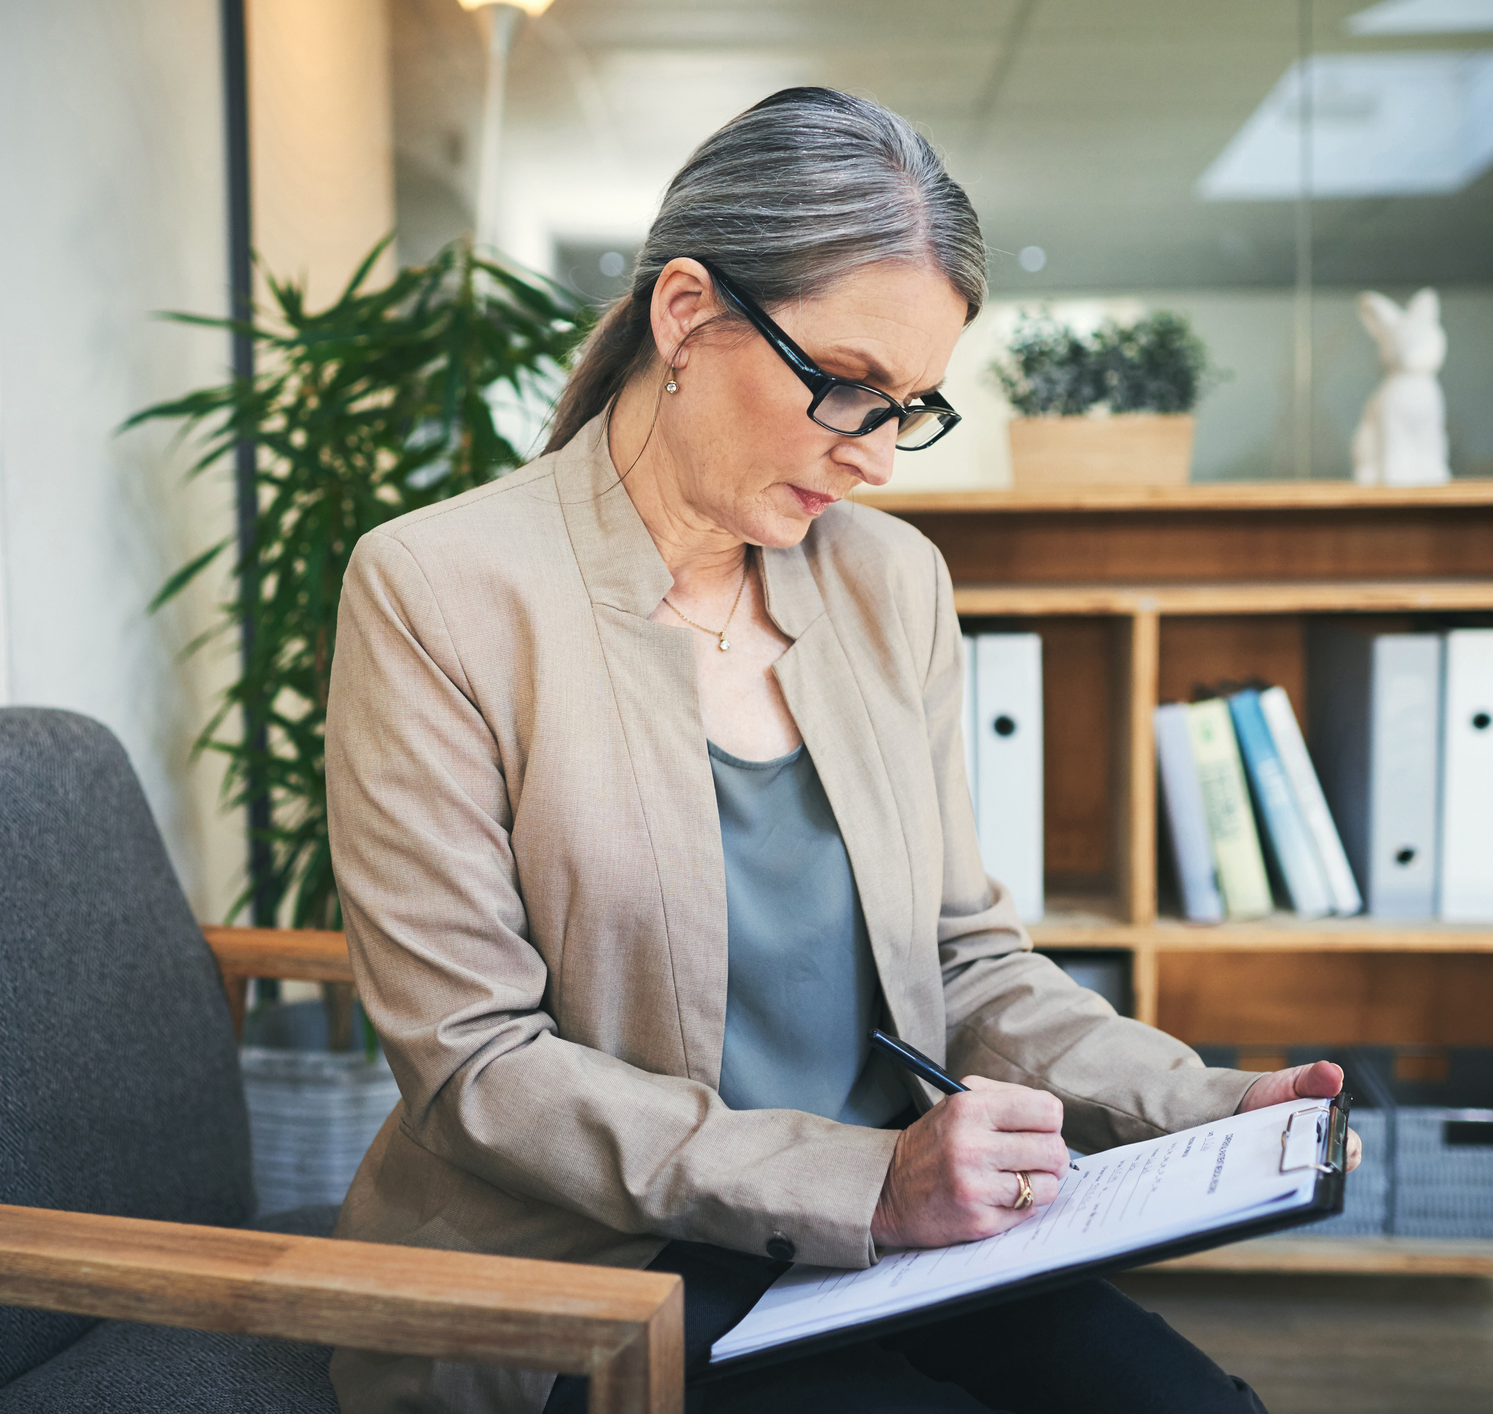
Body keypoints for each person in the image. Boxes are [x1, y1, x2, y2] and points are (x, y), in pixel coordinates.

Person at [323, 87, 1357, 1414]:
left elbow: (964, 957)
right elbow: (478, 1067)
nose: (872, 458)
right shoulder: (437, 586)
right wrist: (867, 1180)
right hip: (597, 1269)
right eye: (846, 386)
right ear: (686, 312)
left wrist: (1203, 1103)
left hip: (888, 1249)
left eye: (911, 406)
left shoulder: (891, 583)